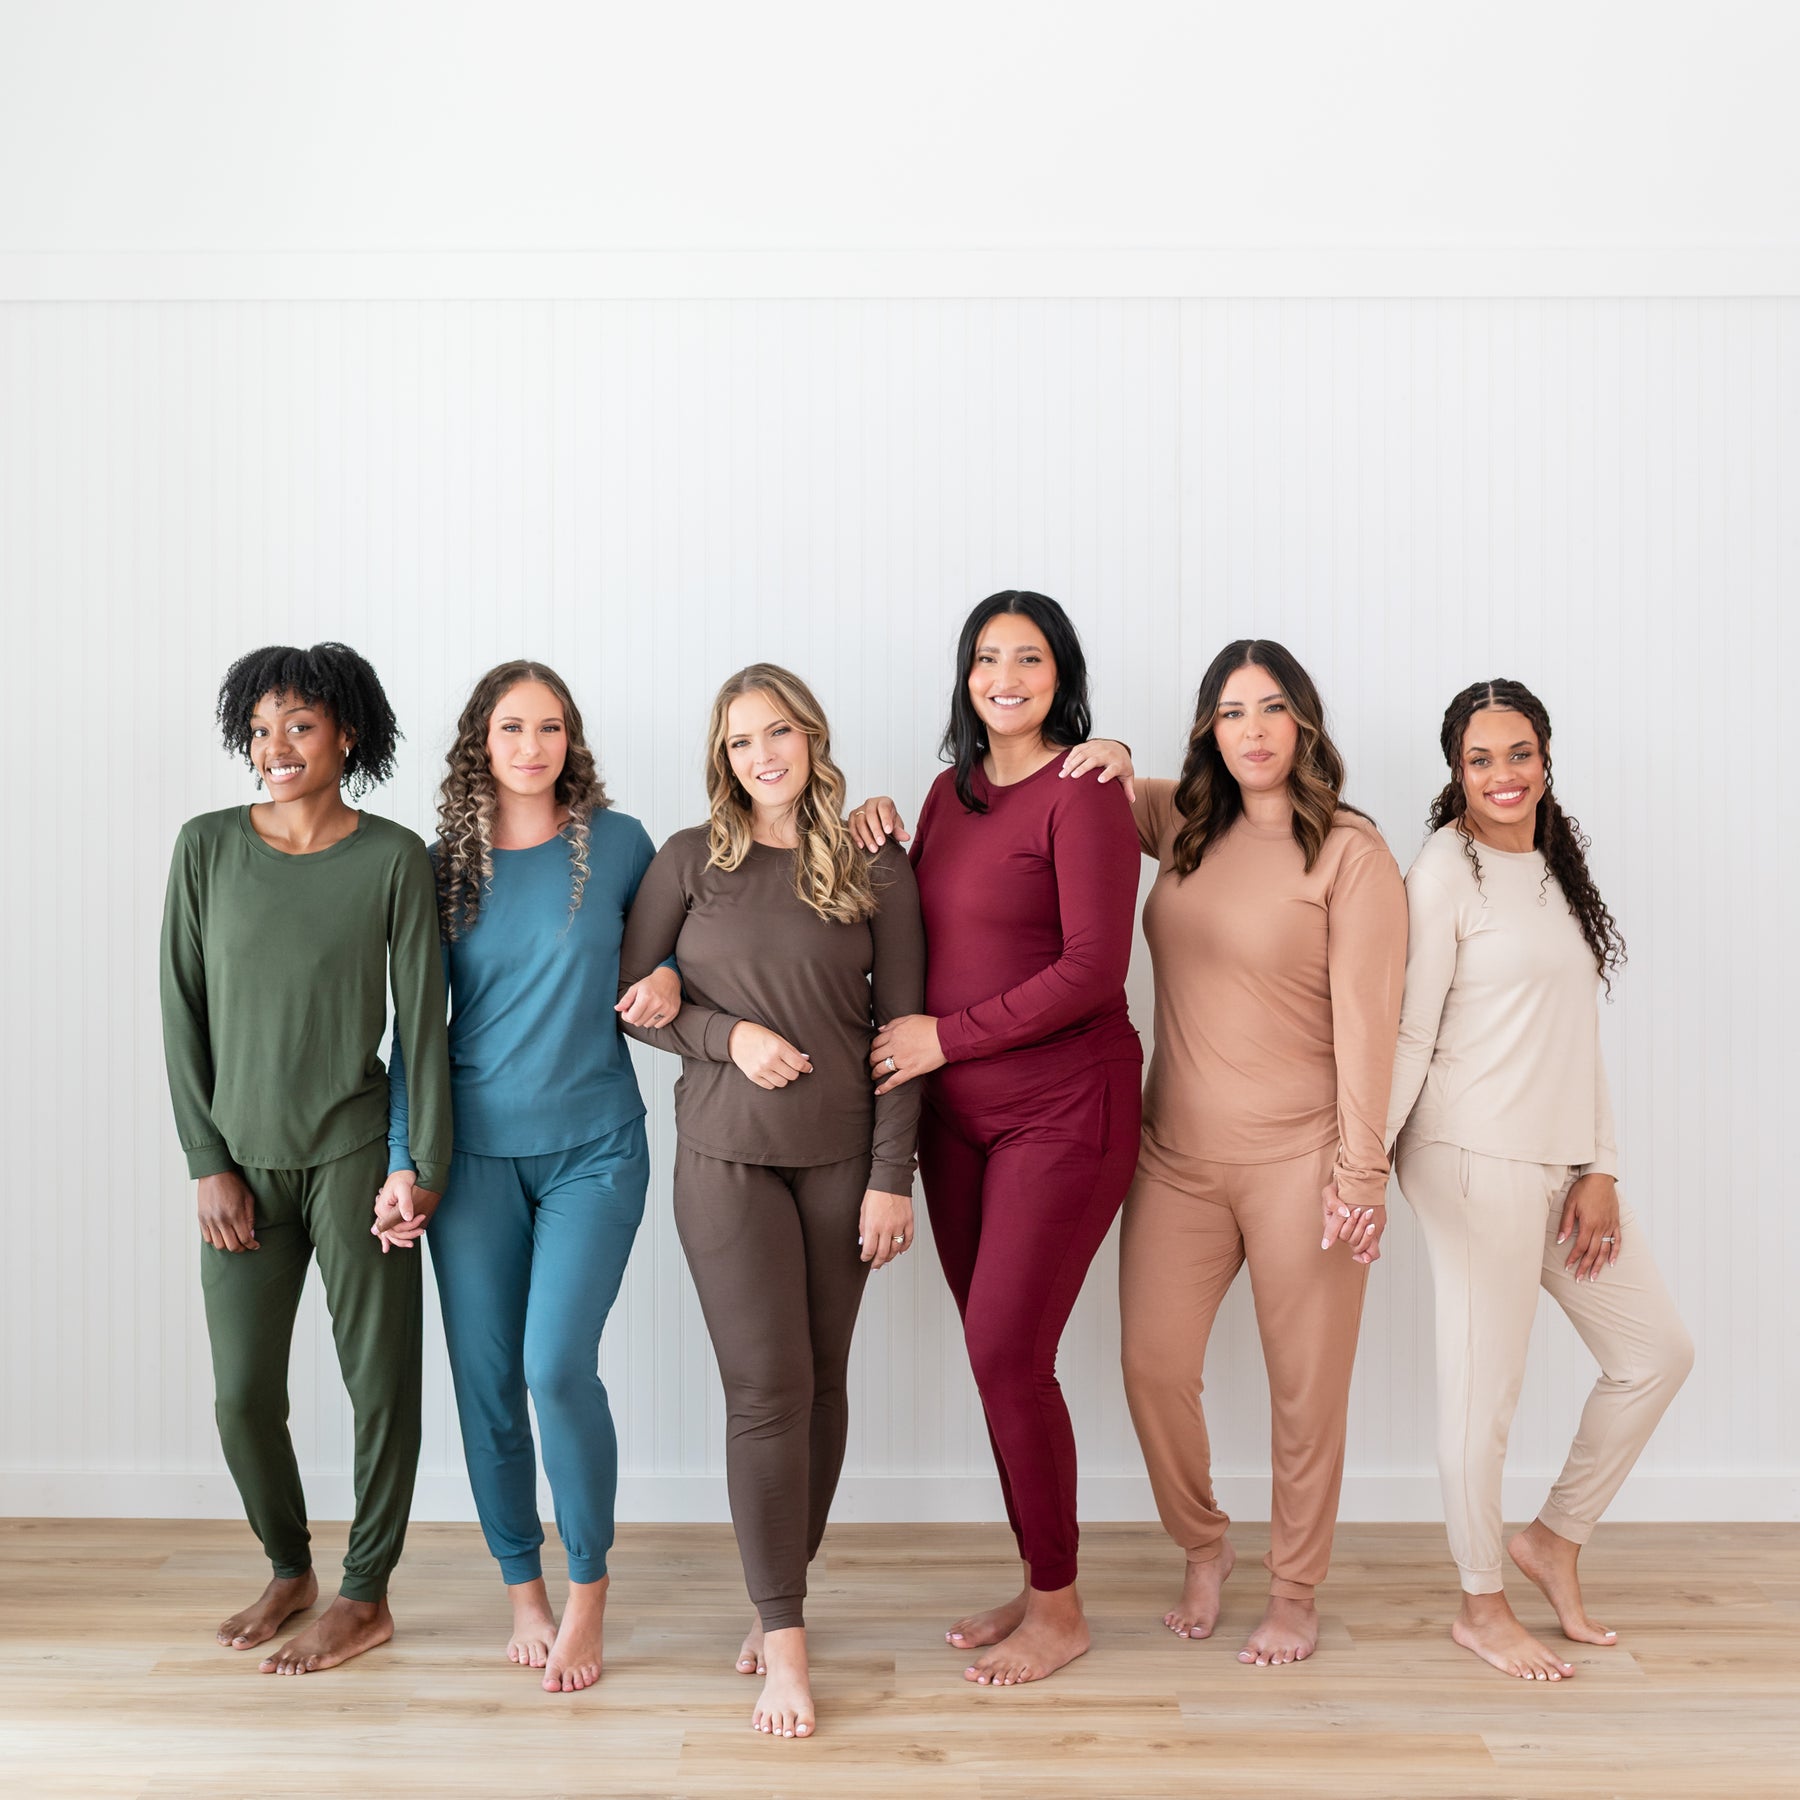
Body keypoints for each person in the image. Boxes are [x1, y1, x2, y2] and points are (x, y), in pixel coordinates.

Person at [617, 663, 924, 1739]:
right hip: (725, 1161)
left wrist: (895, 1177)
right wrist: (724, 1035)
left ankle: (777, 1585)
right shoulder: (688, 861)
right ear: (723, 758)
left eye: (780, 732)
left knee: (822, 1384)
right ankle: (784, 1644)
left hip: (844, 1161)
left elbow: (907, 1033)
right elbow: (639, 1002)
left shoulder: (876, 863)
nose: (765, 755)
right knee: (766, 1391)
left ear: (811, 737)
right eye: (743, 741)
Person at [854, 591, 1144, 1688]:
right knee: (1003, 1364)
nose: (1005, 676)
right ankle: (1041, 1578)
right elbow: (926, 928)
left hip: (1066, 1109)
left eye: (1029, 658)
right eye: (986, 658)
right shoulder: (949, 791)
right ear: (966, 677)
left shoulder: (1088, 791)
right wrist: (876, 831)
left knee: (1004, 1353)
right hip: (956, 1120)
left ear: (1061, 676)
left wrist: (946, 1038)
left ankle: (1061, 1610)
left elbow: (1091, 970)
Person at [378, 661, 680, 1693]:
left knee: (556, 1367)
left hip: (595, 1145)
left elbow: (696, 931)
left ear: (570, 741)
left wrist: (673, 972)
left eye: (551, 727)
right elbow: (416, 1033)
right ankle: (524, 1588)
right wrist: (402, 1161)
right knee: (487, 1384)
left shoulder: (625, 844)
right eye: (513, 727)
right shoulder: (437, 868)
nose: (533, 745)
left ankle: (589, 1589)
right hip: (470, 1159)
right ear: (481, 741)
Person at [1386, 678, 1692, 1681]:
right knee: (1487, 1392)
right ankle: (1480, 1603)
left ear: (1546, 756)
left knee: (1656, 1353)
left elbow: (1577, 1035)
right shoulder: (1443, 871)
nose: (1503, 775)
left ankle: (1552, 1541)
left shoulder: (1558, 867)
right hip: (1469, 1155)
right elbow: (1411, 1029)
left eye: (1518, 754)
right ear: (1455, 771)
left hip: (1562, 1160)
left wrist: (1599, 1167)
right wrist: (1359, 1164)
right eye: (1480, 759)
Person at [159, 641, 451, 1675]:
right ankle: (289, 1566)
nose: (273, 747)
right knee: (242, 1394)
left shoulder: (393, 858)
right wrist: (207, 1157)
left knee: (382, 1386)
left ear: (347, 737)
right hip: (239, 1161)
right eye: (259, 728)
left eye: (298, 726)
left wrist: (417, 1168)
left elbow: (423, 1028)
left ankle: (365, 1593)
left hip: (356, 1152)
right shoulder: (204, 849)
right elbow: (180, 1011)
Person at [1115, 639, 1407, 1667]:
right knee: (1152, 1368)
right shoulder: (1182, 824)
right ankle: (1204, 1544)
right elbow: (1080, 782)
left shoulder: (1353, 855)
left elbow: (1373, 1025)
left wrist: (1361, 1172)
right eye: (1232, 713)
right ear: (1209, 731)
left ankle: (1295, 1590)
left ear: (1306, 725)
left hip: (1304, 1160)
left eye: (1273, 709)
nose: (1254, 730)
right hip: (1175, 1157)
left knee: (1305, 1390)